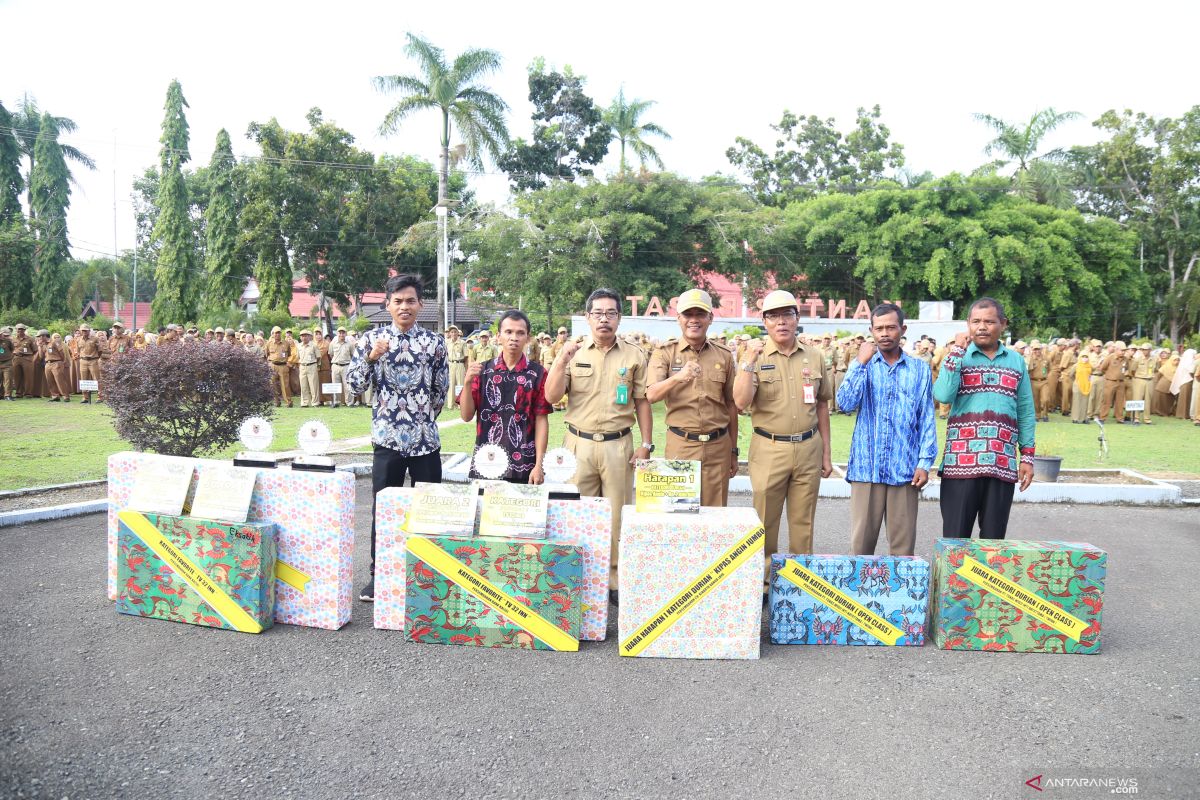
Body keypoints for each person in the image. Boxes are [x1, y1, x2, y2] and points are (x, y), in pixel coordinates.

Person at [544, 287, 652, 598]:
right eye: (598, 313)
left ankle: (614, 580)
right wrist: (561, 361)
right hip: (579, 444)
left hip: (618, 445)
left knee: (617, 516)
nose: (604, 319)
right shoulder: (573, 352)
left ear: (619, 318)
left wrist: (646, 443)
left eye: (611, 313)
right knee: (578, 515)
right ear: (588, 317)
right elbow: (552, 397)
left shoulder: (634, 355)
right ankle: (579, 578)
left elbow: (642, 401)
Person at [346, 274, 448, 602]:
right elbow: (355, 386)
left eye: (411, 300)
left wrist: (421, 420)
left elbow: (440, 391)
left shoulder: (435, 343)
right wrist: (371, 357)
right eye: (398, 301)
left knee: (429, 509)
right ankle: (380, 576)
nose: (405, 306)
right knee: (384, 509)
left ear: (420, 304)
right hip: (387, 440)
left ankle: (429, 573)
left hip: (425, 442)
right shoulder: (371, 340)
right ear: (387, 304)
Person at [733, 290, 833, 566]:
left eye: (787, 315)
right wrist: (747, 362)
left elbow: (822, 405)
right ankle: (764, 582)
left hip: (808, 447)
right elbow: (740, 402)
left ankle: (798, 583)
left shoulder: (814, 356)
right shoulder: (754, 355)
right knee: (765, 520)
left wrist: (826, 453)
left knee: (803, 522)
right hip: (769, 447)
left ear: (797, 318)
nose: (781, 322)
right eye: (773, 316)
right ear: (765, 322)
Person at [836, 303, 937, 556]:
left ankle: (900, 596)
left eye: (890, 327)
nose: (884, 333)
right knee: (860, 548)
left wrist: (924, 462)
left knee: (902, 550)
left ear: (902, 329)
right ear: (871, 330)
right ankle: (855, 596)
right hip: (866, 468)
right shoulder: (864, 365)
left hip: (904, 470)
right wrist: (859, 363)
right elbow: (845, 403)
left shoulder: (919, 370)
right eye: (878, 328)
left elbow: (926, 418)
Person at [934, 297, 1035, 540]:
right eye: (976, 321)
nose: (982, 327)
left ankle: (985, 580)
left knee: (993, 543)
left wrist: (1027, 457)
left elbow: (1025, 410)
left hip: (1001, 464)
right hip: (961, 466)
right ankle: (953, 581)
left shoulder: (1015, 361)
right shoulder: (959, 356)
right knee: (955, 540)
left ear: (1003, 324)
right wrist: (956, 352)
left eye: (989, 322)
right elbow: (943, 395)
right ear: (967, 324)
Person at [646, 289, 739, 507]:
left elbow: (731, 405)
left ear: (710, 318)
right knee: (679, 513)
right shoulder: (664, 352)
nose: (694, 320)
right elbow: (651, 395)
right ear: (678, 318)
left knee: (715, 512)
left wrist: (733, 451)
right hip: (681, 445)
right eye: (688, 314)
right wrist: (678, 377)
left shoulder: (723, 355)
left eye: (700, 314)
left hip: (718, 447)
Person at [459, 310, 551, 483]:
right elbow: (466, 416)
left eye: (520, 333)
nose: (514, 338)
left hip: (525, 465)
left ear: (528, 338)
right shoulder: (482, 371)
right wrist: (467, 383)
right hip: (487, 462)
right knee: (485, 510)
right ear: (498, 336)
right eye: (508, 332)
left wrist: (539, 464)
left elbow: (541, 420)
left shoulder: (538, 373)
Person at [75, 324, 106, 404]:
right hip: (83, 361)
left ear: (89, 331)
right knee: (84, 379)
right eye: (82, 330)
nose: (84, 332)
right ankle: (85, 397)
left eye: (86, 330)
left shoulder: (95, 339)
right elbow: (78, 350)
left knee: (97, 379)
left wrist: (95, 358)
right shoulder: (78, 339)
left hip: (93, 360)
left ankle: (100, 397)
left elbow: (100, 350)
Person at [265, 326, 294, 408]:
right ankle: (276, 401)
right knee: (272, 384)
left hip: (283, 365)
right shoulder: (269, 343)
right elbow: (266, 354)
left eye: (278, 333)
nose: (277, 334)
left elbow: (289, 354)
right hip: (273, 365)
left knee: (285, 385)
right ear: (272, 334)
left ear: (281, 334)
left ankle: (288, 402)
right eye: (275, 333)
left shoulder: (286, 343)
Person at [328, 326, 354, 407]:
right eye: (340, 333)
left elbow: (352, 355)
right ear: (337, 333)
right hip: (335, 365)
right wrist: (337, 361)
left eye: (343, 333)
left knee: (347, 385)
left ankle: (349, 402)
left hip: (346, 366)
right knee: (335, 385)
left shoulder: (350, 343)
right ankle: (336, 402)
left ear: (346, 334)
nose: (341, 334)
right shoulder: (333, 343)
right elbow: (331, 354)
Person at [296, 329, 321, 408]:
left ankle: (315, 402)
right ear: (300, 337)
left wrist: (317, 366)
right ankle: (304, 402)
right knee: (303, 385)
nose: (304, 337)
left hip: (312, 366)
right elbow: (297, 357)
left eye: (306, 335)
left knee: (314, 385)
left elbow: (318, 357)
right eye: (302, 336)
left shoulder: (314, 345)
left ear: (309, 337)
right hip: (302, 366)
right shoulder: (299, 346)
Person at [43, 332, 71, 402]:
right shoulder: (44, 344)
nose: (39, 338)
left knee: (60, 380)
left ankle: (65, 396)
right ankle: (55, 396)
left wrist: (60, 361)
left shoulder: (54, 343)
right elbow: (41, 355)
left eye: (40, 336)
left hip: (56, 362)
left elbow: (61, 353)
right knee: (50, 380)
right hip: (48, 363)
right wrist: (40, 346)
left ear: (44, 336)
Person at [445, 325, 467, 410]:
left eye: (455, 332)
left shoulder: (462, 343)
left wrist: (466, 368)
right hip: (450, 364)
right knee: (451, 385)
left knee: (460, 385)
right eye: (452, 332)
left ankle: (460, 404)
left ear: (458, 333)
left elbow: (466, 357)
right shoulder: (447, 342)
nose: (453, 333)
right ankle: (451, 404)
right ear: (449, 333)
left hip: (460, 364)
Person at [11, 323, 36, 398]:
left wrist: (31, 357)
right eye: (18, 329)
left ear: (24, 330)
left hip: (27, 358)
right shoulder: (13, 339)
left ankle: (28, 393)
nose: (20, 330)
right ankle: (18, 393)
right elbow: (10, 349)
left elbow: (35, 350)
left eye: (21, 329)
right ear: (16, 330)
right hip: (16, 358)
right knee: (17, 376)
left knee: (28, 377)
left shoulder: (30, 339)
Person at [1172, 348, 1196, 420]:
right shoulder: (1189, 362)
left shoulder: (1184, 362)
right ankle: (1184, 415)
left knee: (1184, 399)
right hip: (1187, 382)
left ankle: (1181, 414)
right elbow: (1191, 371)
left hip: (1184, 382)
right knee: (1185, 399)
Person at [1071, 354, 1093, 424]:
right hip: (1077, 385)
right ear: (1080, 357)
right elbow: (1071, 375)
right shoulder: (1076, 365)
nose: (1085, 359)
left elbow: (1091, 375)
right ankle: (1075, 418)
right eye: (1083, 357)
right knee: (1076, 402)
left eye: (1086, 357)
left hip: (1086, 385)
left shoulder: (1090, 366)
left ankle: (1083, 418)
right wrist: (1076, 381)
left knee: (1085, 402)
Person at [1153, 351, 1176, 416]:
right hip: (1163, 384)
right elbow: (1158, 374)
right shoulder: (1165, 365)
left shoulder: (1178, 368)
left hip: (1172, 386)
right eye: (1175, 360)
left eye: (1178, 360)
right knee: (1162, 399)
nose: (1176, 362)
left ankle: (1167, 412)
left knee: (1169, 399)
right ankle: (1160, 412)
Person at [0, 325, 13, 400]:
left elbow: (12, 350)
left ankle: (7, 395)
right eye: (3, 335)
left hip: (7, 363)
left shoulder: (8, 341)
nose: (4, 336)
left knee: (8, 379)